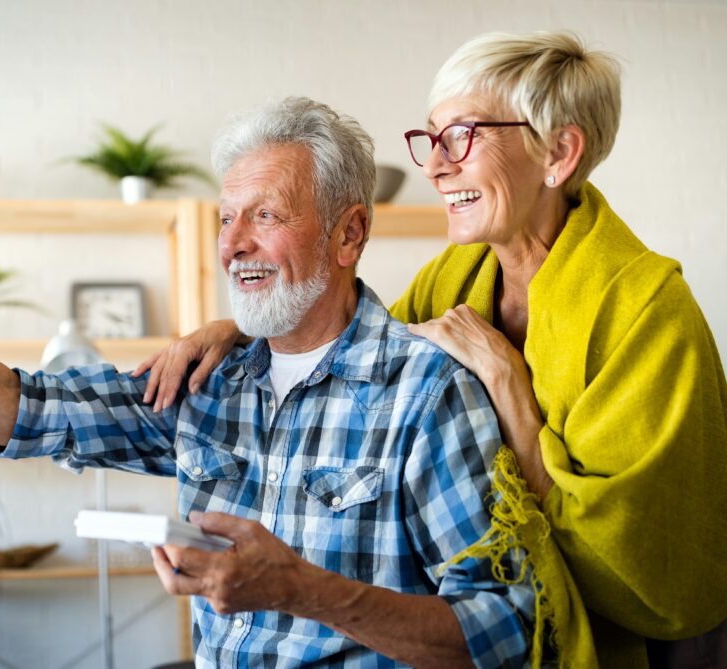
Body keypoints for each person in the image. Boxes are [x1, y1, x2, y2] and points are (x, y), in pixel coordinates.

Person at [0, 97, 535, 667]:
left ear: (349, 234)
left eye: (267, 215)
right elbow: (8, 409)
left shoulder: (428, 393)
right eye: (225, 218)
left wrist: (305, 591)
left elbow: (506, 633)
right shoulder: (207, 383)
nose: (233, 243)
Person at [135, 32, 727, 667]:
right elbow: (361, 346)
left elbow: (655, 576)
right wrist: (245, 330)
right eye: (431, 138)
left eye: (463, 136)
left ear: (558, 152)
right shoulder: (456, 275)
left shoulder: (649, 312)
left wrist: (511, 393)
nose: (436, 165)